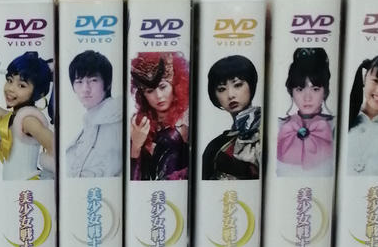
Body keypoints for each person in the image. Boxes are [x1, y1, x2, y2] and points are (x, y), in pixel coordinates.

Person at [129, 51, 190, 180]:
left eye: (163, 87)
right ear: (143, 96)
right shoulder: (138, 125)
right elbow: (133, 178)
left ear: (175, 86)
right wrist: (136, 146)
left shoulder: (188, 122)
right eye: (150, 91)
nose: (158, 96)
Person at [201, 54, 261, 180]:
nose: (230, 95)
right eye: (221, 89)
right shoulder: (215, 146)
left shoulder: (271, 131)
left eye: (237, 85)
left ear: (251, 85)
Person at [63, 50, 122, 179]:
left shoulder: (114, 121)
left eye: (93, 80)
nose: (85, 89)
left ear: (107, 83)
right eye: (79, 81)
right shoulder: (91, 121)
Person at [276, 47, 334, 176]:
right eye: (300, 89)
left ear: (325, 92)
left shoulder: (335, 126)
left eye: (315, 89)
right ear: (291, 92)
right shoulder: (280, 126)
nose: (307, 98)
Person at [0, 51, 55, 180]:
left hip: (27, 185)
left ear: (39, 93)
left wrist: (49, 175)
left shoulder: (28, 120)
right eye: (9, 80)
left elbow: (55, 147)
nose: (10, 88)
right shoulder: (16, 116)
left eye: (21, 85)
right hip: (14, 186)